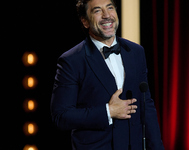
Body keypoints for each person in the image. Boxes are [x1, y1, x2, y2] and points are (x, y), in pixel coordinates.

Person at [51, 0, 164, 149]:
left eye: (110, 8)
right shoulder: (72, 60)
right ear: (85, 21)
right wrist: (108, 112)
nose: (106, 15)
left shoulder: (136, 52)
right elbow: (61, 116)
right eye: (97, 11)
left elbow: (146, 105)